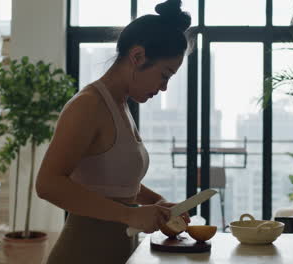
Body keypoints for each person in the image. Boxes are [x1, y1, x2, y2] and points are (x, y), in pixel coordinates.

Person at [36, 1, 192, 263]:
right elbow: (48, 184)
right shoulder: (88, 105)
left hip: (117, 250)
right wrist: (130, 214)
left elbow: (113, 182)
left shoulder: (120, 106)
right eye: (164, 74)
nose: (164, 87)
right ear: (138, 56)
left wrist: (158, 203)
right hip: (82, 252)